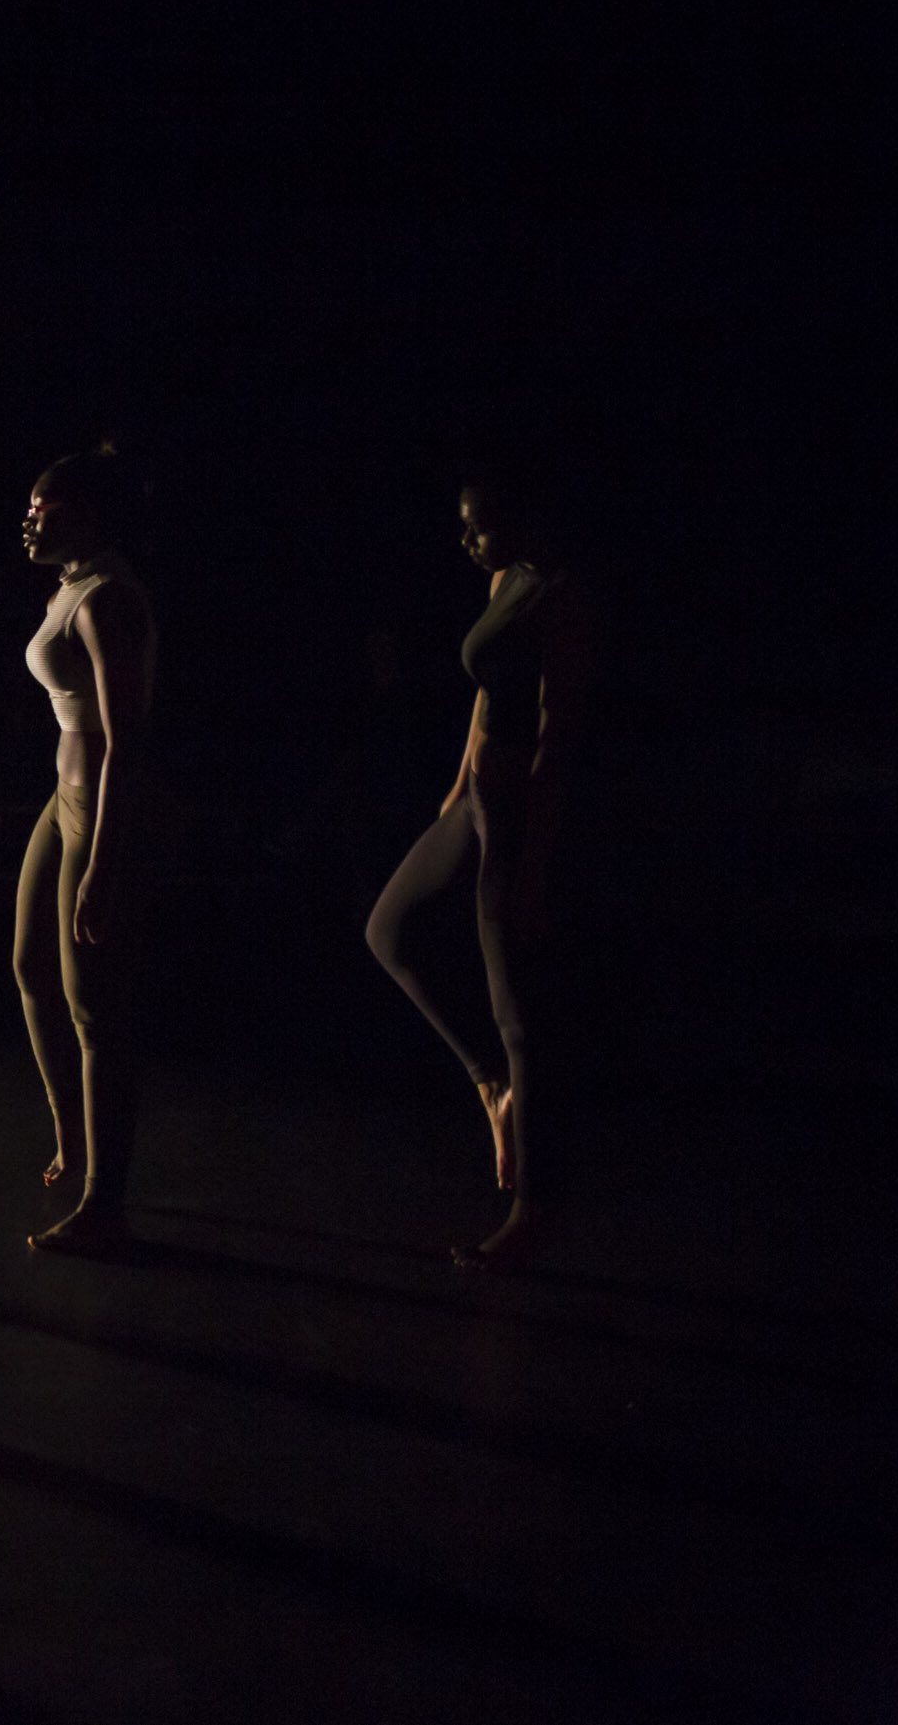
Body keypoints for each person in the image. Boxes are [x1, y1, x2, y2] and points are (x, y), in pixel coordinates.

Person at [365, 470, 602, 1269]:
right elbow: (486, 686)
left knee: (519, 1016)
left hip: (517, 811)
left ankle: (532, 1210)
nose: (466, 541)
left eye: (478, 527)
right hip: (475, 799)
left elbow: (556, 739)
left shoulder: (562, 599)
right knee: (389, 930)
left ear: (525, 520)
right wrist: (459, 778)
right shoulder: (507, 578)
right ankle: (489, 1084)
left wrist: (533, 860)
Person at [14, 445, 158, 1254]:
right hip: (63, 796)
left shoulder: (108, 601)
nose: (30, 520)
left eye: (46, 508)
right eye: (31, 507)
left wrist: (104, 860)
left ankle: (106, 1202)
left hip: (97, 804)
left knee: (93, 1004)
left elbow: (126, 743)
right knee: (30, 965)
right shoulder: (70, 587)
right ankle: (73, 1134)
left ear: (90, 515)